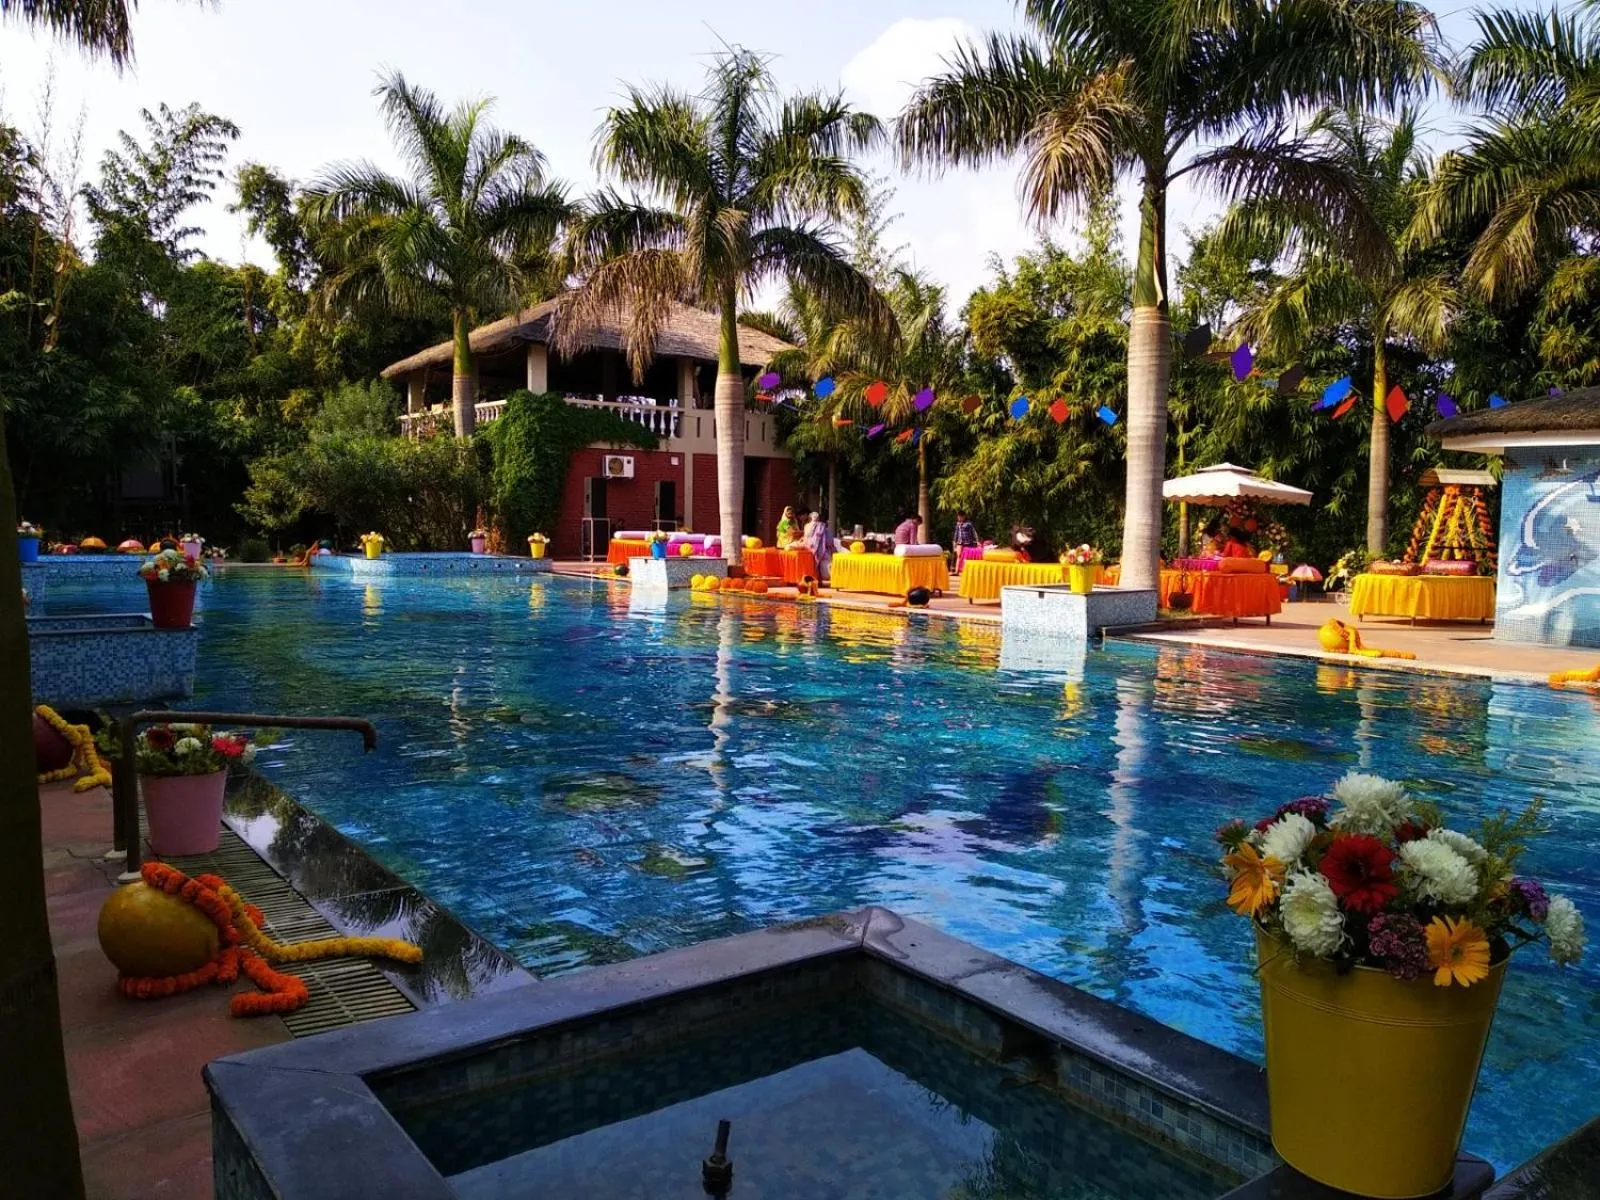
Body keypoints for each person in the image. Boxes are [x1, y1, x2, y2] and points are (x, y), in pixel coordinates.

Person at [805, 511, 837, 583]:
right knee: (817, 565)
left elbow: (827, 537)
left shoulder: (819, 526)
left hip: (816, 548)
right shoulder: (809, 526)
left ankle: (818, 581)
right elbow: (806, 536)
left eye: (816, 516)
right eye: (814, 516)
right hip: (815, 548)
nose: (815, 517)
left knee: (821, 565)